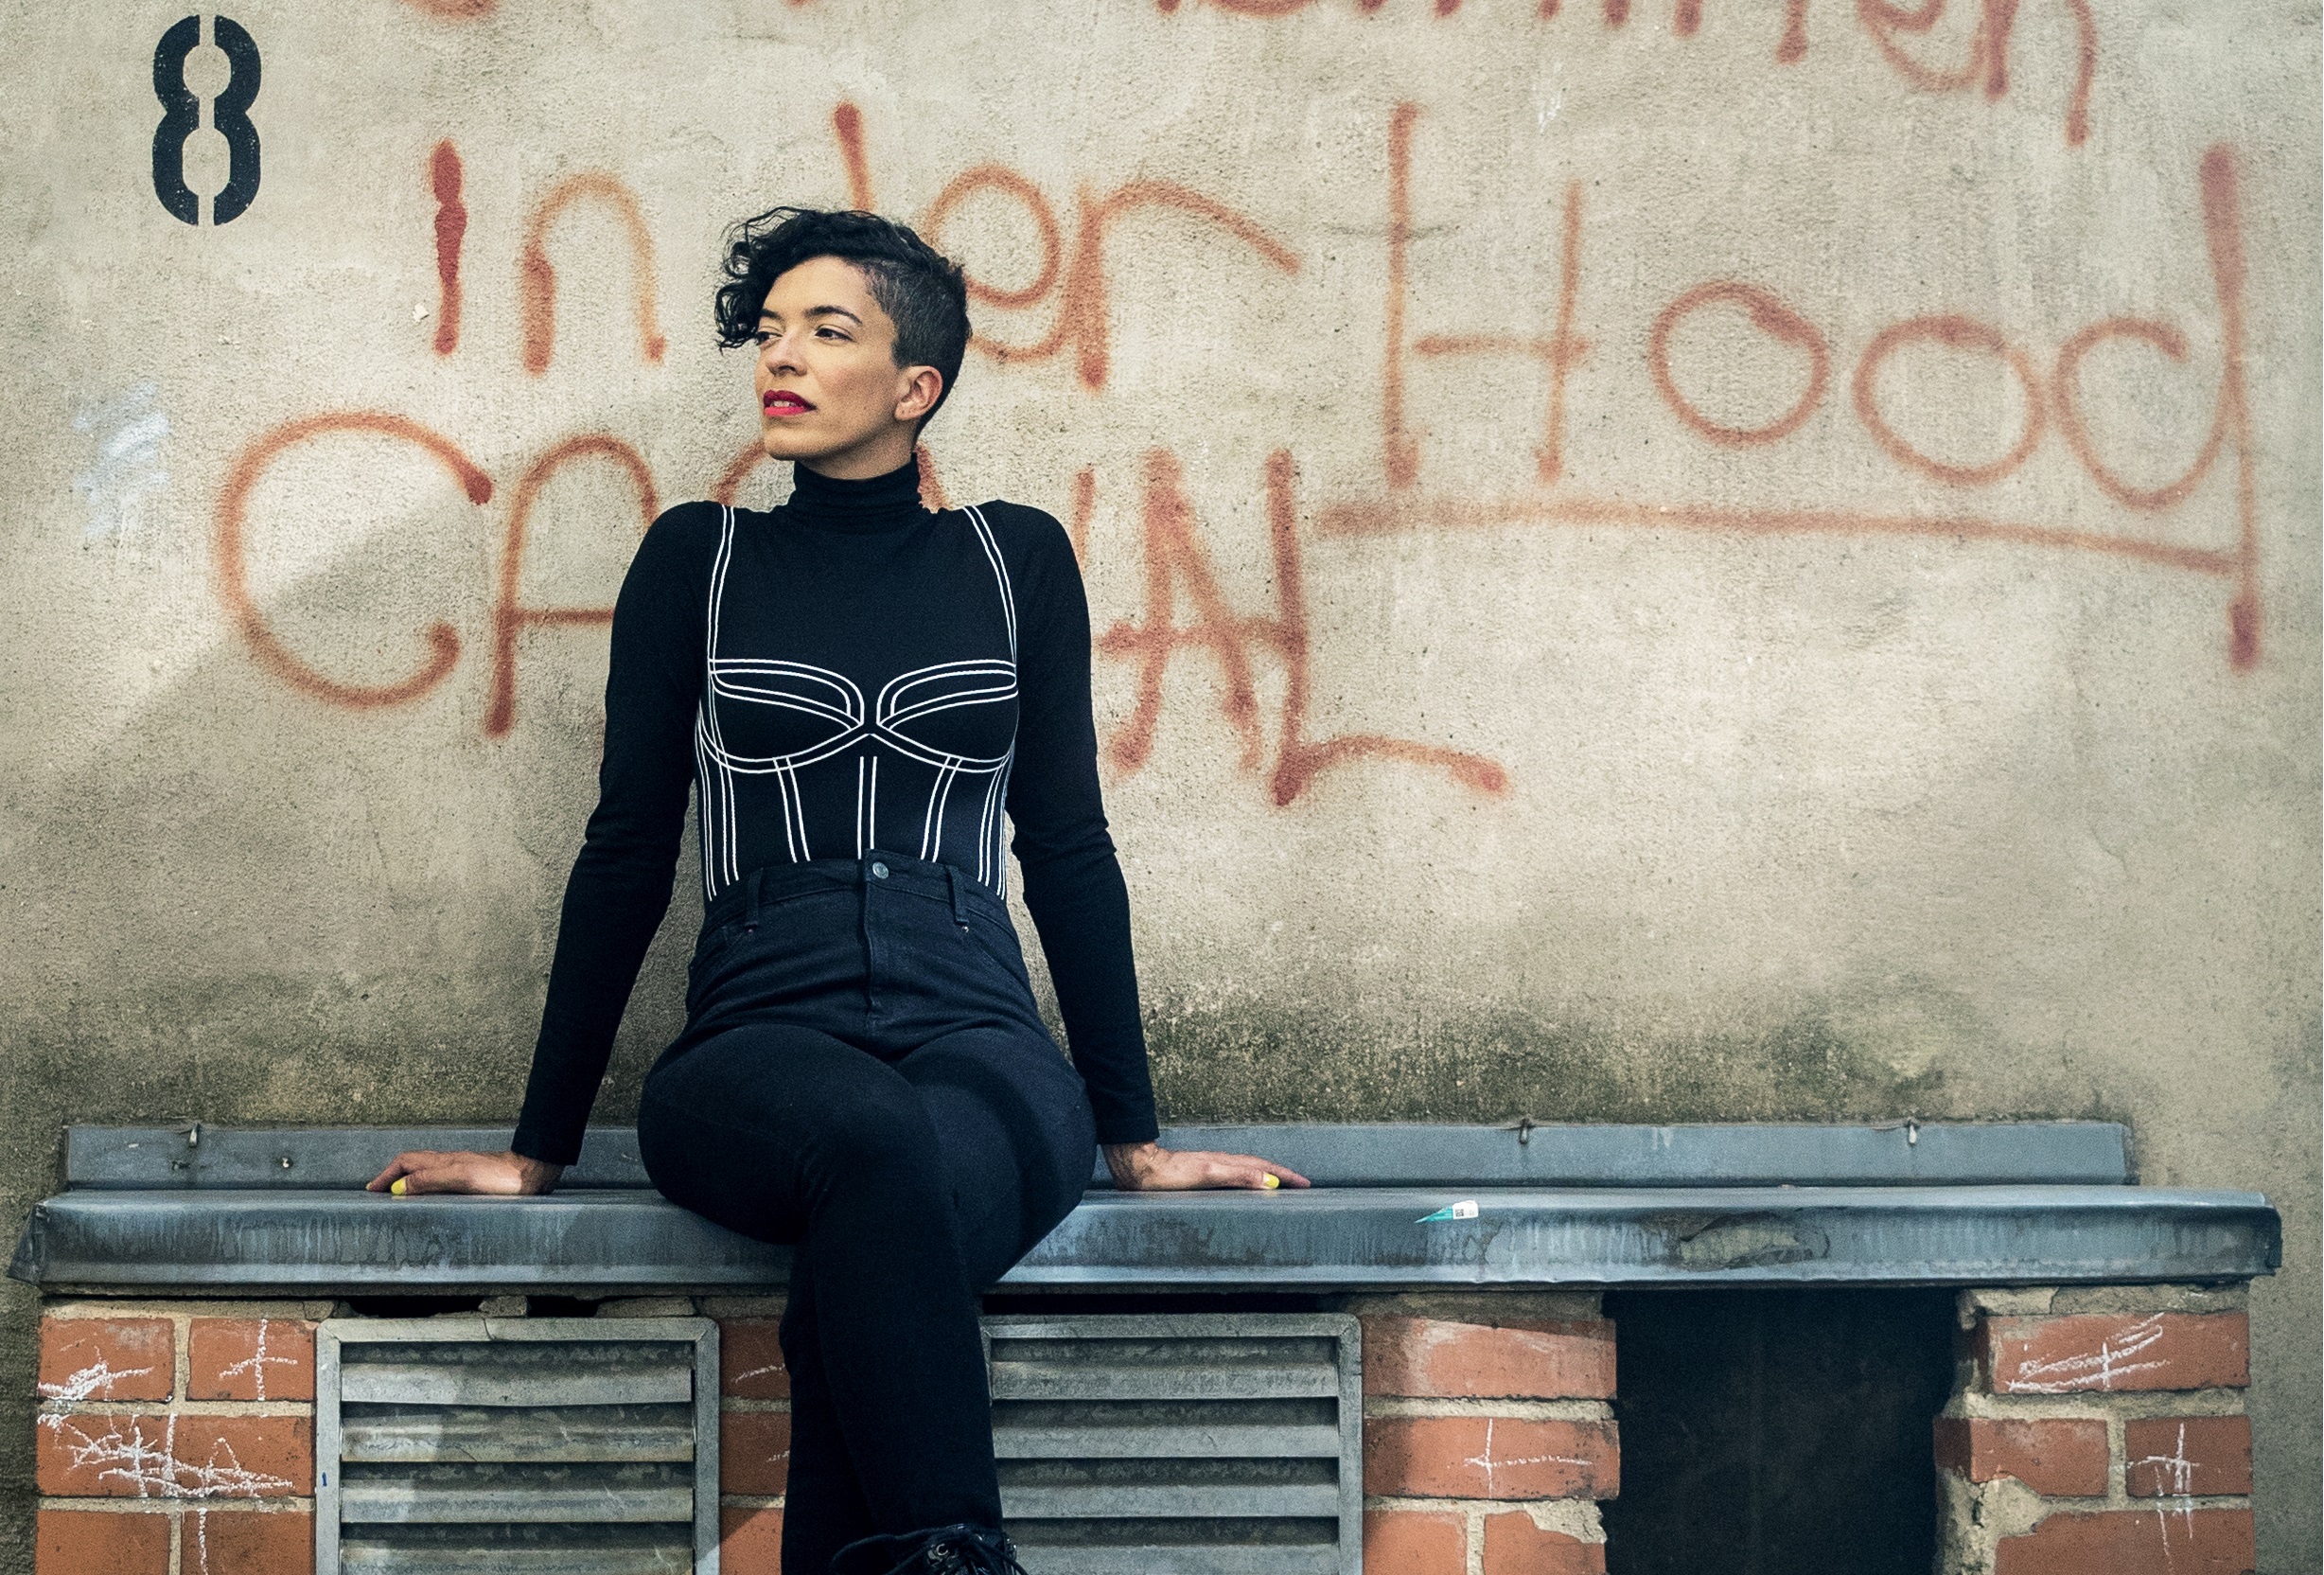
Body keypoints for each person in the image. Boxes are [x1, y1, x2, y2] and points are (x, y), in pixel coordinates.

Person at [366, 207, 1310, 1575]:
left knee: (874, 1245)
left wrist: (1132, 1135)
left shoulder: (1016, 561)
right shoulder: (700, 559)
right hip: (757, 1037)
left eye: (827, 331)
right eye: (769, 332)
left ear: (915, 385)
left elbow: (1067, 844)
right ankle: (960, 1552)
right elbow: (628, 845)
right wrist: (539, 1146)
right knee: (874, 1146)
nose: (781, 358)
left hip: (981, 1027)